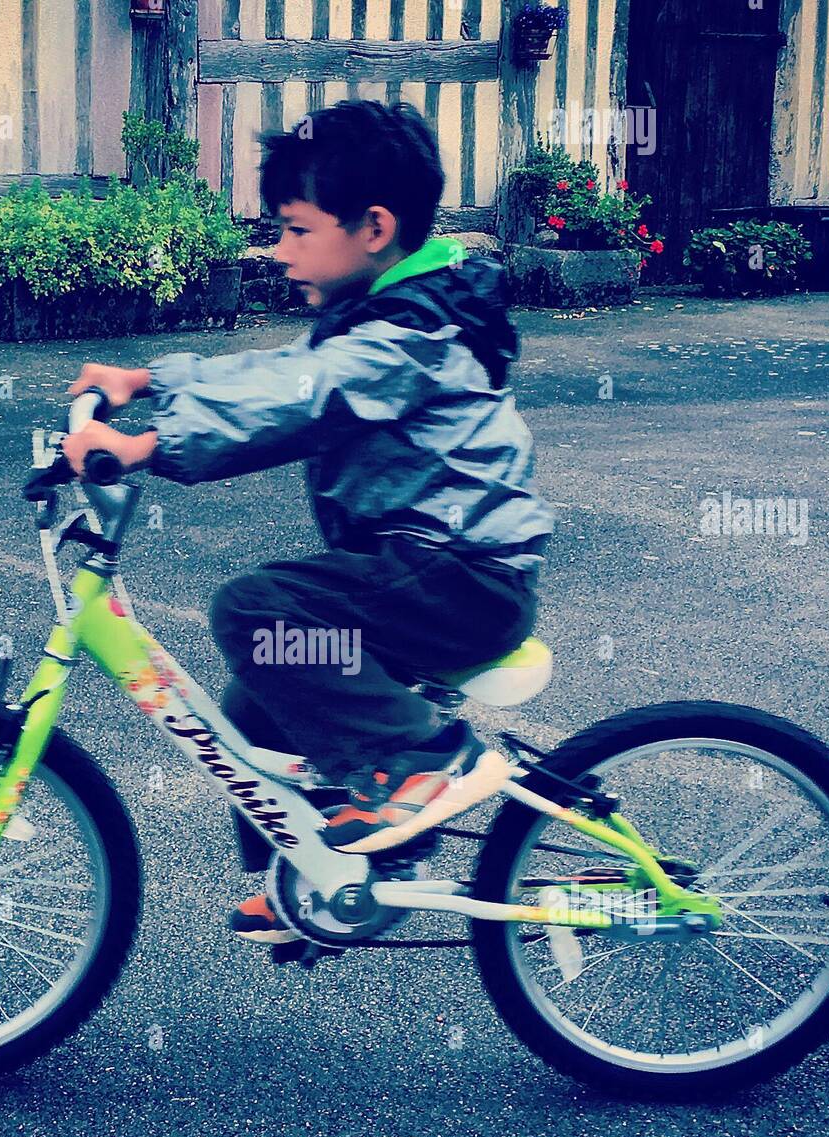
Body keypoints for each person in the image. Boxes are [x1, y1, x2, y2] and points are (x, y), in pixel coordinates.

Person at [60, 100, 554, 943]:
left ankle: (429, 764)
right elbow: (279, 371)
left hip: (461, 576)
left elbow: (303, 398)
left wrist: (147, 447)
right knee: (263, 700)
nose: (278, 250)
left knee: (258, 612)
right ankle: (334, 877)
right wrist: (152, 381)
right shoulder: (385, 310)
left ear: (373, 226)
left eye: (293, 229)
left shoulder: (414, 332)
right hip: (426, 567)